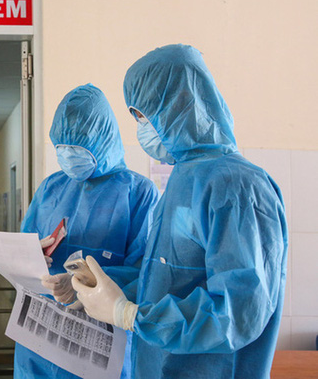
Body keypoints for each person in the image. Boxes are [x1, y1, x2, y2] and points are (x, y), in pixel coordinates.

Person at [72, 45, 288, 378]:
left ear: (180, 106)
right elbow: (165, 279)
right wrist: (103, 285)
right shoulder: (183, 178)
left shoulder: (238, 187)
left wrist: (128, 314)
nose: (141, 127)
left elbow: (238, 312)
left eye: (143, 115)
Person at [14, 84, 160, 379]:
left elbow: (146, 272)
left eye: (77, 149)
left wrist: (84, 283)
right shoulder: (50, 187)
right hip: (38, 344)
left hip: (99, 346)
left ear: (103, 140)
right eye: (62, 148)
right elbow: (22, 248)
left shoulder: (138, 193)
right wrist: (31, 257)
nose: (68, 156)